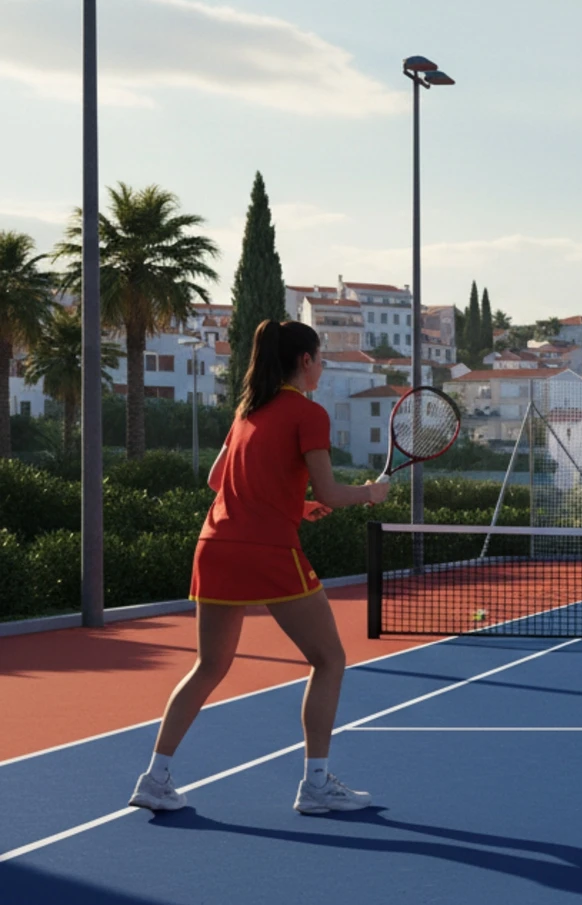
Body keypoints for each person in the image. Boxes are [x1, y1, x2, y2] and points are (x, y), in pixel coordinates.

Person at [127, 320, 392, 815]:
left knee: (209, 666)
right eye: (320, 358)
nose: (322, 366)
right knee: (330, 660)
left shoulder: (246, 412)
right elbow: (332, 493)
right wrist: (370, 493)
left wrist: (293, 505)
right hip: (266, 549)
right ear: (305, 361)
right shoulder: (307, 414)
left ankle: (154, 777)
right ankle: (315, 785)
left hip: (216, 543)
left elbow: (215, 480)